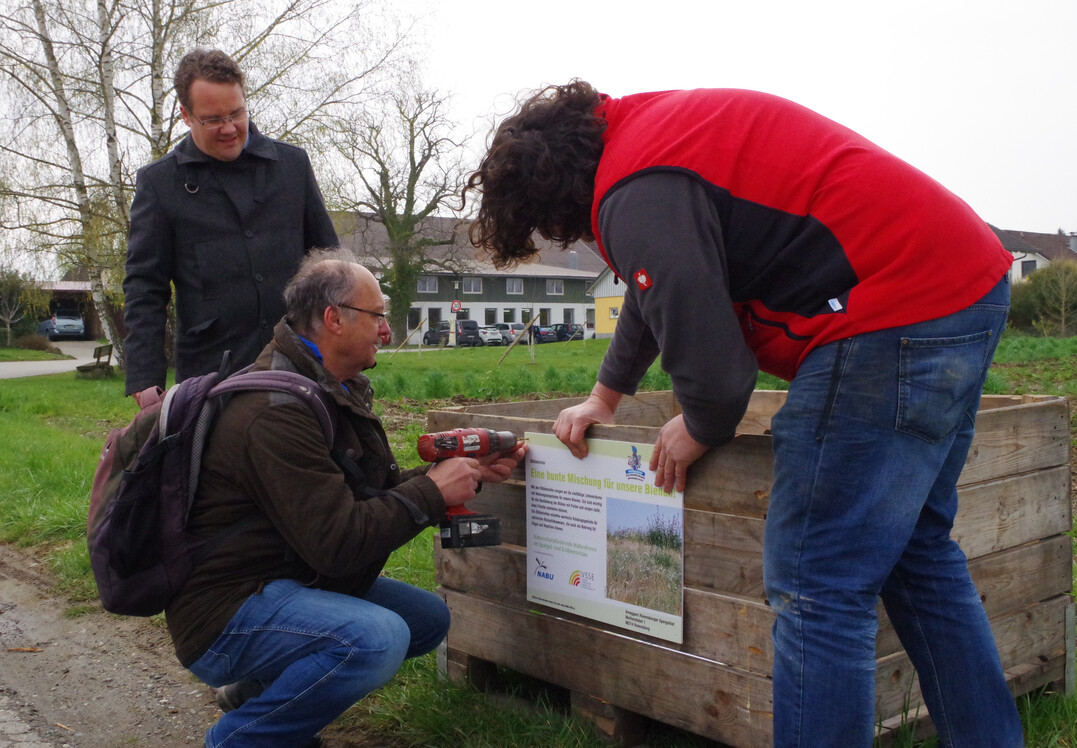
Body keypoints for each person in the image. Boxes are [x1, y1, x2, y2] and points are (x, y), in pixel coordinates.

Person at [463, 81, 1023, 747]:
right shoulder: (652, 138)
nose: (575, 234)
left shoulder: (637, 186)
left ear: (549, 193)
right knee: (916, 553)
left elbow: (718, 372)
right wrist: (604, 396)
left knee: (817, 583)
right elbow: (662, 288)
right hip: (960, 286)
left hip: (889, 311)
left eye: (556, 225)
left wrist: (700, 422)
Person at [164, 249, 526, 747]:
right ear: (333, 319)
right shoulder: (273, 413)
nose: (386, 329)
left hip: (286, 577)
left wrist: (460, 475)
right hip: (226, 610)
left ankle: (254, 690)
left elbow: (364, 497)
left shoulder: (329, 387)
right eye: (378, 315)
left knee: (426, 620)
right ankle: (240, 738)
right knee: (377, 639)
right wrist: (432, 491)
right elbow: (338, 543)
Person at [123, 48, 339, 407]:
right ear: (186, 116)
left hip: (301, 366)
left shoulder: (292, 165)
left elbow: (330, 267)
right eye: (213, 119)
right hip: (211, 376)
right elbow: (145, 287)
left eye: (236, 113)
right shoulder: (160, 184)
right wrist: (145, 379)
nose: (229, 128)